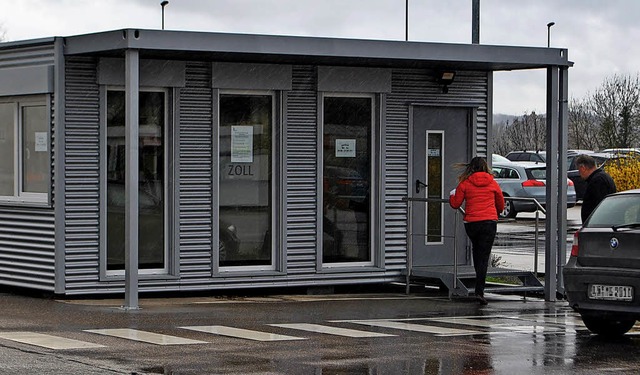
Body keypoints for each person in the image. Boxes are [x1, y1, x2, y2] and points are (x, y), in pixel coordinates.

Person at [449, 156, 505, 305]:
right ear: (485, 167)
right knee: (484, 256)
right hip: (489, 222)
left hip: (472, 223)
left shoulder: (465, 184)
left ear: (471, 168)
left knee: (476, 252)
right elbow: (501, 204)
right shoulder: (493, 183)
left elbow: (455, 204)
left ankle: (478, 285)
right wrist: (494, 212)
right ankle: (479, 291)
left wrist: (452, 194)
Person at [576, 154, 617, 223]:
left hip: (597, 225)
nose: (579, 174)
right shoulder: (602, 177)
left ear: (583, 168)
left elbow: (600, 206)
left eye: (578, 170)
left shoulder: (597, 181)